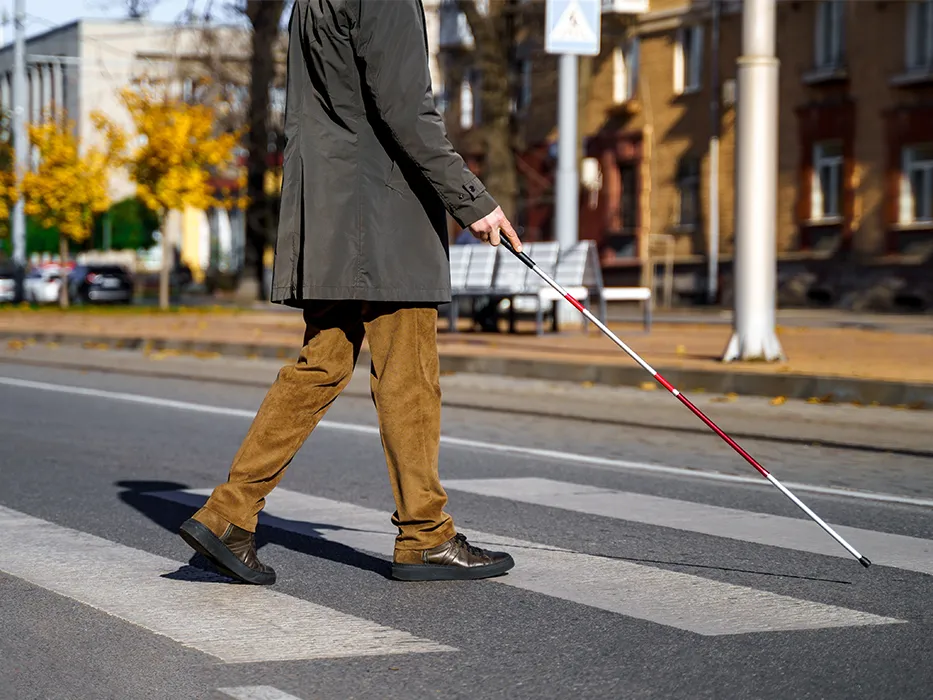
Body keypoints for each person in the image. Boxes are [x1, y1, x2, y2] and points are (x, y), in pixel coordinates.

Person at [178, 0, 523, 584]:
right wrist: (473, 201)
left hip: (332, 209)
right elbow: (408, 111)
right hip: (383, 213)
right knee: (409, 373)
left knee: (321, 365)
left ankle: (229, 515)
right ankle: (426, 536)